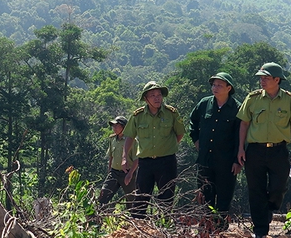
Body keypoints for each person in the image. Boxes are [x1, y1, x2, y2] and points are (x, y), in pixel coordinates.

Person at [237, 63, 291, 238]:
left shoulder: (290, 100)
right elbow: (244, 123)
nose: (262, 81)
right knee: (255, 190)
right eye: (261, 78)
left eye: (266, 78)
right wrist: (241, 148)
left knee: (278, 187)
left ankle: (270, 208)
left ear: (277, 80)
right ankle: (260, 229)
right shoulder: (253, 98)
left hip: (278, 150)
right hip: (255, 150)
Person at [122, 81, 185, 218]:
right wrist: (125, 157)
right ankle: (138, 228)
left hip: (167, 162)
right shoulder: (137, 116)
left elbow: (180, 133)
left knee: (166, 197)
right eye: (153, 95)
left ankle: (164, 228)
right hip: (145, 163)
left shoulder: (171, 113)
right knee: (141, 197)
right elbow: (129, 137)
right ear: (146, 98)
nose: (157, 98)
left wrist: (167, 147)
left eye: (159, 95)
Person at [188, 72, 242, 220]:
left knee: (224, 198)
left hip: (226, 162)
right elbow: (193, 121)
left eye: (219, 85)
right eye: (213, 84)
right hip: (205, 160)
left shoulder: (237, 108)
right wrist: (196, 139)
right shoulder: (204, 104)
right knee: (205, 197)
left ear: (229, 88)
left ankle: (220, 231)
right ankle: (206, 231)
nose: (215, 88)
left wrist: (238, 161)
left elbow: (241, 136)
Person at [98, 116, 139, 213]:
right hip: (114, 172)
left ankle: (135, 222)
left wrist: (130, 174)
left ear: (124, 127)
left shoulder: (132, 141)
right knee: (103, 195)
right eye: (113, 126)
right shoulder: (112, 139)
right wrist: (109, 172)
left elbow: (137, 160)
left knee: (131, 200)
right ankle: (98, 218)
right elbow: (111, 157)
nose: (114, 128)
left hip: (127, 173)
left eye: (117, 126)